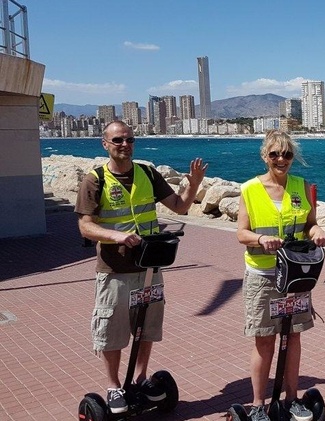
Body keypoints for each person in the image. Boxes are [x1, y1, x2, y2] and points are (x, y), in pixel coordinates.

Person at [75, 121, 207, 414]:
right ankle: (113, 387)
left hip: (150, 266)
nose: (125, 144)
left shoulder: (147, 173)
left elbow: (179, 206)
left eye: (130, 139)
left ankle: (140, 378)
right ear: (105, 144)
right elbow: (85, 227)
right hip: (115, 269)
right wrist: (117, 236)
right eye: (118, 140)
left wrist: (194, 183)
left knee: (146, 327)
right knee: (112, 329)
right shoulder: (95, 179)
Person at [236, 130, 325, 421]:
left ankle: (292, 400)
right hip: (262, 275)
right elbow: (241, 233)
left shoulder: (300, 186)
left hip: (295, 274)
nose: (281, 159)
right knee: (265, 340)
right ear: (265, 156)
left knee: (293, 337)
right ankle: (258, 405)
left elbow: (310, 224)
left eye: (287, 154)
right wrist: (260, 240)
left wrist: (318, 232)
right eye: (275, 154)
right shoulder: (250, 189)